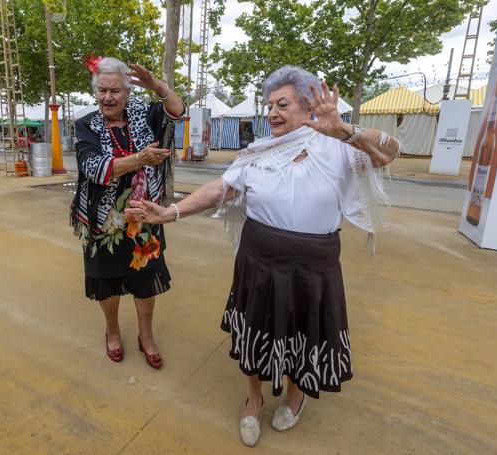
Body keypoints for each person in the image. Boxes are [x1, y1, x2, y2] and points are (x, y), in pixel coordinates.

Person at [126, 65, 400, 446]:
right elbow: (220, 188)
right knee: (257, 328)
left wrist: (347, 131)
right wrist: (171, 212)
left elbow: (389, 153)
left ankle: (295, 394)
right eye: (269, 104)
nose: (271, 113)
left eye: (282, 104)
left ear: (309, 107)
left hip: (314, 266)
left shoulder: (339, 147)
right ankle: (253, 398)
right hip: (259, 261)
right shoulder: (258, 152)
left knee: (303, 332)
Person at [70, 57, 184, 369]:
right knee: (107, 279)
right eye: (102, 91)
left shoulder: (144, 114)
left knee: (145, 278)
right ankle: (112, 331)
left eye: (115, 91)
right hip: (103, 221)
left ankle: (146, 335)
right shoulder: (86, 124)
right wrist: (140, 159)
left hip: (143, 215)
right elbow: (94, 168)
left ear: (127, 93)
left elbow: (178, 111)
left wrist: (158, 86)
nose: (108, 97)